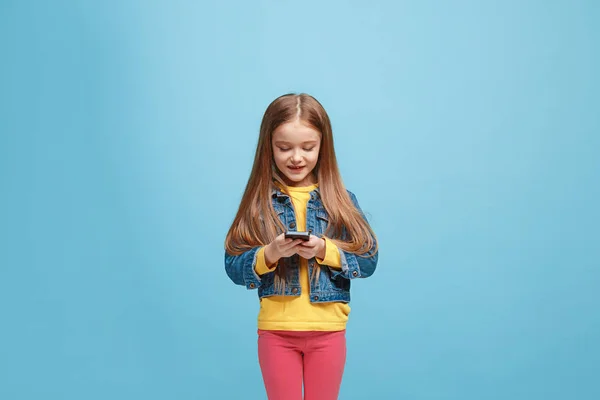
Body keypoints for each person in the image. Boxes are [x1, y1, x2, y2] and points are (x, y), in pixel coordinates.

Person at [224, 93, 379, 400]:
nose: (297, 157)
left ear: (323, 147)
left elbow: (369, 260)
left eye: (308, 148)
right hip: (276, 332)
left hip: (328, 330)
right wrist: (270, 254)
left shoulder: (341, 201)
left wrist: (325, 250)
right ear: (269, 147)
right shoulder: (259, 205)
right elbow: (233, 265)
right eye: (284, 148)